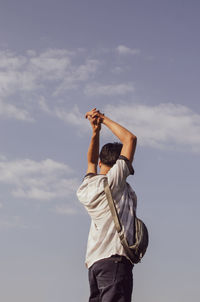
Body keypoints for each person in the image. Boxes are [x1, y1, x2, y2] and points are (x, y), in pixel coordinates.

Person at [77, 108, 137, 302]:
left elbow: (90, 161)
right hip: (114, 261)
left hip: (96, 264)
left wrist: (95, 133)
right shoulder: (114, 181)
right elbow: (130, 139)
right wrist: (102, 119)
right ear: (121, 162)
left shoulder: (87, 186)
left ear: (102, 161)